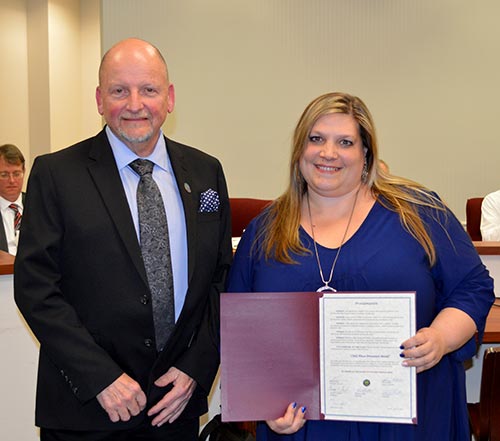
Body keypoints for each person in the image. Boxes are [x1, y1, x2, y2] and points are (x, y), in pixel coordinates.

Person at [227, 92, 494, 441]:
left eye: (345, 142)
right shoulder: (265, 230)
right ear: (299, 150)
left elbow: (473, 287)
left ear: (366, 153)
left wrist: (441, 338)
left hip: (410, 419)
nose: (328, 153)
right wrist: (267, 407)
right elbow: (243, 337)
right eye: (316, 139)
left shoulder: (418, 212)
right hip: (308, 429)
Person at [14, 38, 232, 441]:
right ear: (99, 99)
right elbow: (35, 288)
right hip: (88, 412)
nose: (135, 104)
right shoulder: (56, 174)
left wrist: (196, 368)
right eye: (119, 91)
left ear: (169, 98)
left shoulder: (205, 172)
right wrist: (100, 378)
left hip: (175, 408)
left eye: (148, 89)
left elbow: (221, 280)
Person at [0, 143, 25, 255]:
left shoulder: (38, 203)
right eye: (4, 175)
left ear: (24, 172)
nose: (12, 180)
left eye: (16, 174)